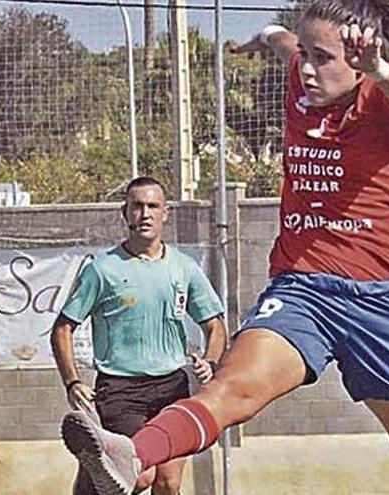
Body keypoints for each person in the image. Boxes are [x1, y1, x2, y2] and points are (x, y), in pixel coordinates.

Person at [60, 0, 389, 494]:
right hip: (303, 290)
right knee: (230, 390)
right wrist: (266, 34)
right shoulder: (300, 77)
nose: (308, 68)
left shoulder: (384, 95)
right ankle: (130, 451)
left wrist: (376, 66)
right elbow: (285, 44)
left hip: (380, 305)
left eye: (324, 57)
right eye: (305, 54)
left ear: (358, 58)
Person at [51, 176, 227, 495]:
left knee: (168, 483)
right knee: (139, 477)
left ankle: (93, 472)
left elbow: (215, 325)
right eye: (137, 206)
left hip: (173, 387)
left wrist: (211, 361)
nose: (145, 213)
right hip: (120, 390)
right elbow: (63, 328)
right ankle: (92, 478)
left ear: (165, 213)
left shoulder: (184, 268)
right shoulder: (102, 269)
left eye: (152, 206)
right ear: (125, 212)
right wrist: (72, 382)